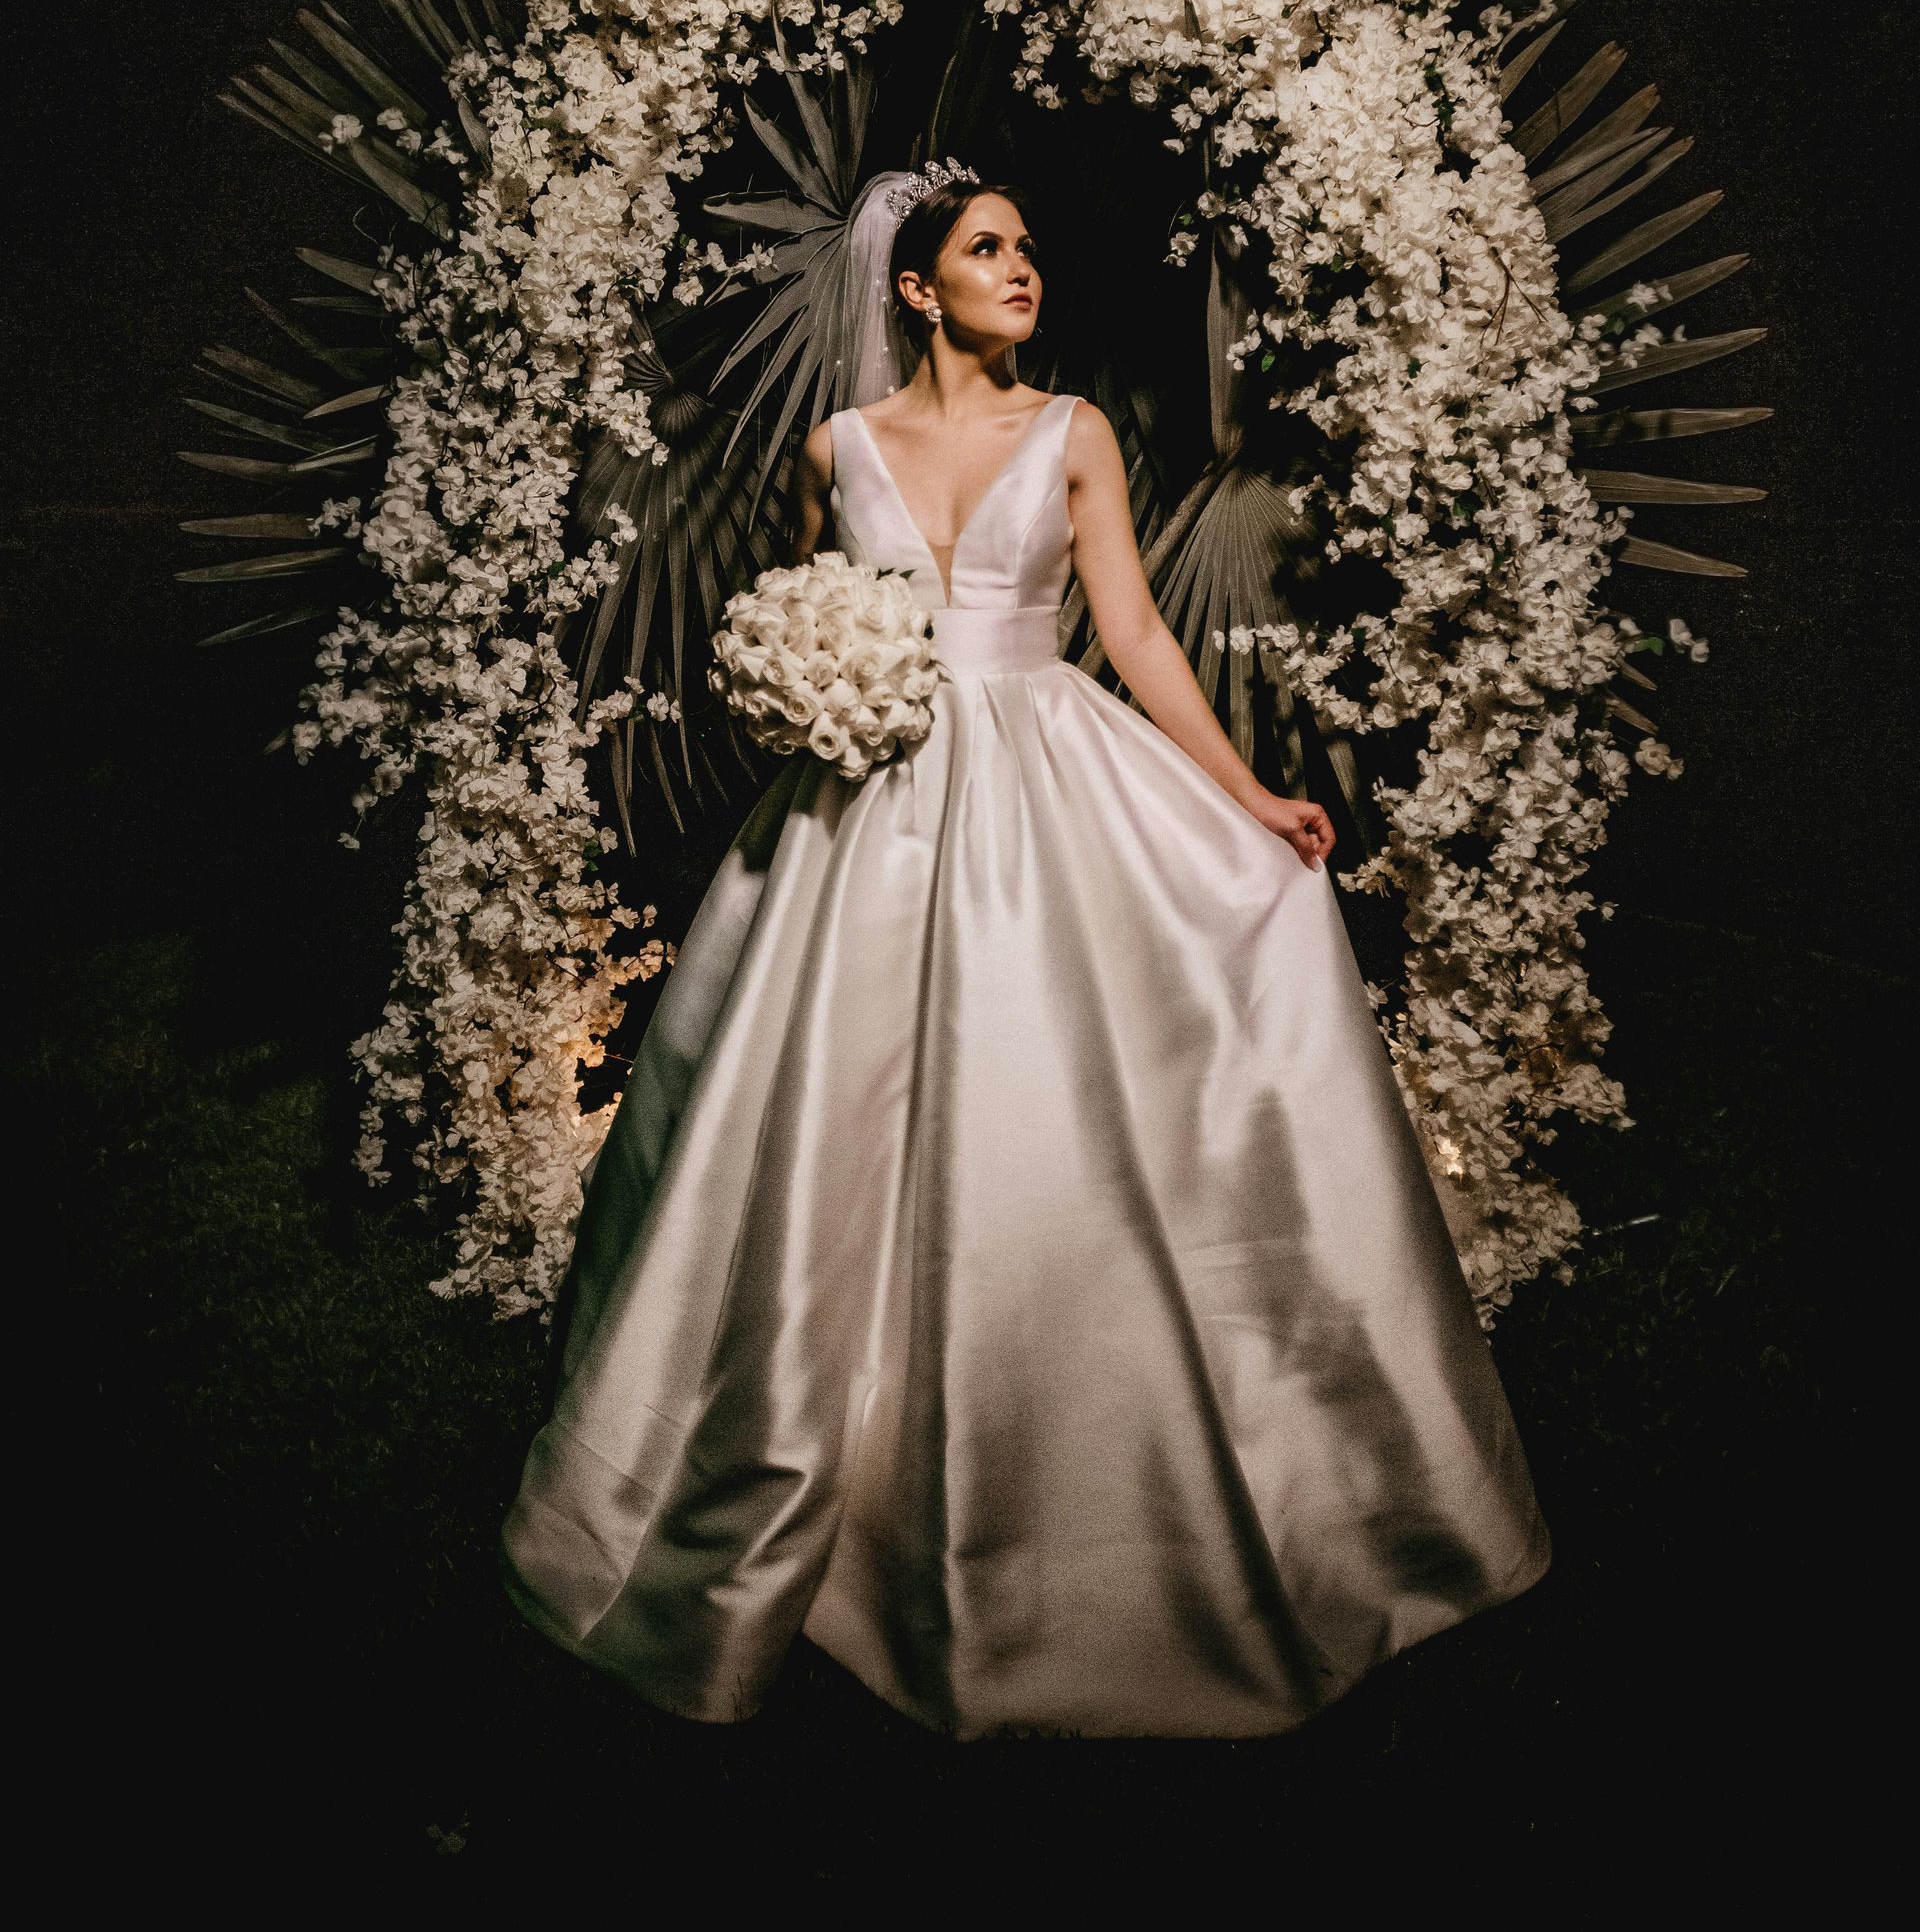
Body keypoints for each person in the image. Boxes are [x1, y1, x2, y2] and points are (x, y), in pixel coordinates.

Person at [501, 164, 1549, 1739]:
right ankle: (815, 1457)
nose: (1020, 268)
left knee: (1053, 1097)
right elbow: (805, 615)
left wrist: (1253, 797)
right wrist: (807, 691)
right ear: (914, 286)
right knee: (826, 1114)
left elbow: (1133, 634)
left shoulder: (1075, 433)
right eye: (986, 249)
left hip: (1044, 773)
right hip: (868, 800)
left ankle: (1103, 1487)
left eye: (1028, 248)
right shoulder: (836, 446)